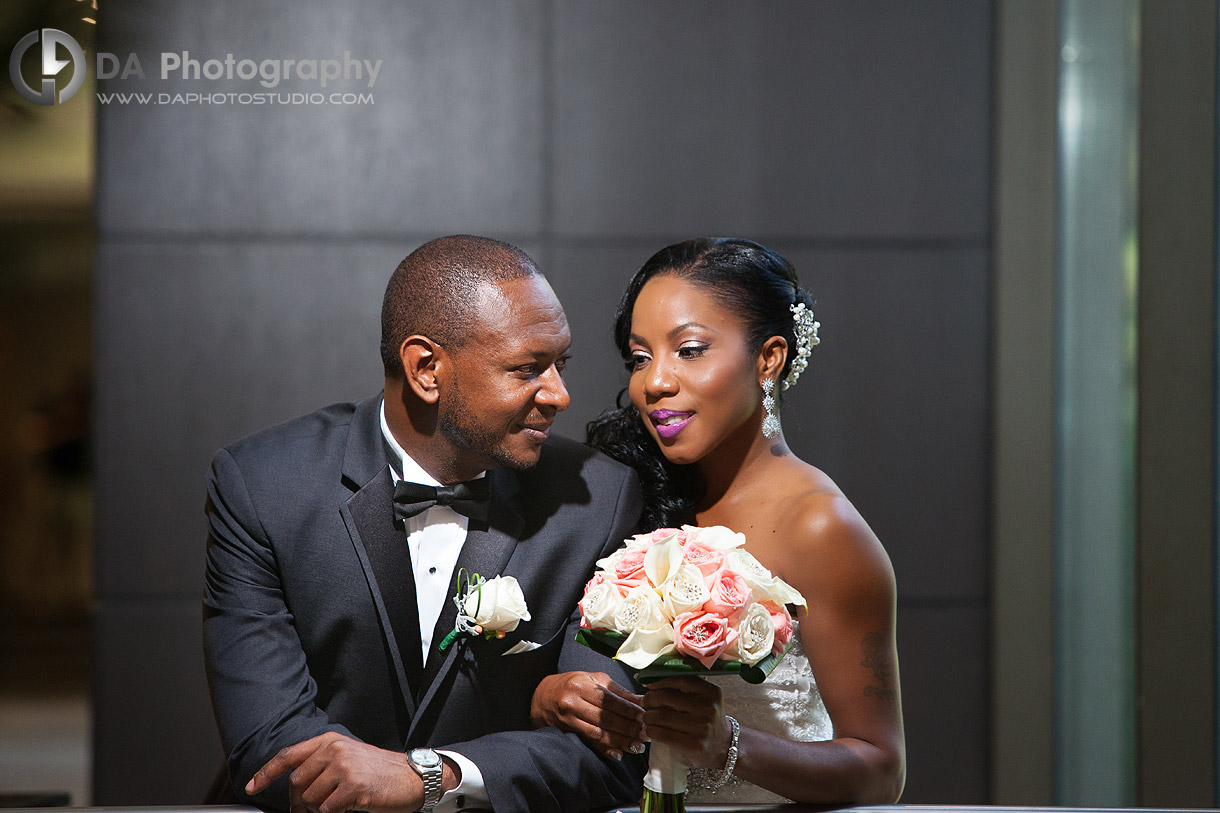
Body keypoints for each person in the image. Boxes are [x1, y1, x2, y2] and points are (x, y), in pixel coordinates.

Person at [203, 235, 647, 813]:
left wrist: (430, 777)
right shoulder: (264, 486)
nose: (560, 395)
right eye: (526, 369)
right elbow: (268, 745)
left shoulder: (599, 499)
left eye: (560, 364)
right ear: (426, 369)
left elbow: (604, 757)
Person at [530, 237, 906, 804]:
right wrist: (551, 697)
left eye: (690, 350)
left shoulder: (821, 530)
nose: (653, 382)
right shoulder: (625, 494)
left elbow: (880, 771)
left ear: (768, 358)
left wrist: (730, 746)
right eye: (639, 357)